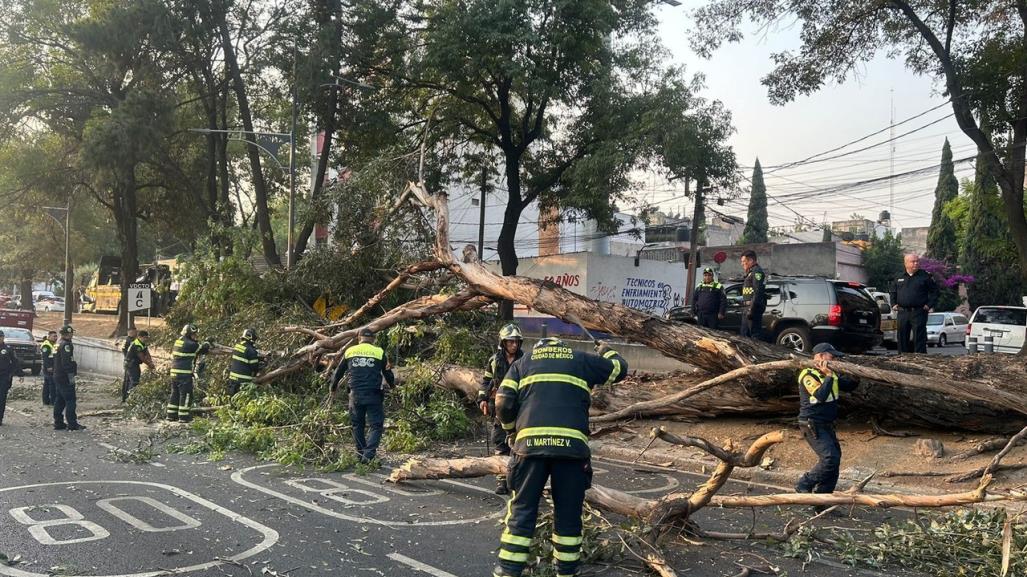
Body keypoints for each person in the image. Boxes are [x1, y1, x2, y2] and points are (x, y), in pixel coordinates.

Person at [492, 337, 628, 577]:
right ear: (563, 348)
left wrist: (511, 430)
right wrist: (606, 350)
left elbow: (502, 402)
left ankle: (508, 571)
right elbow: (619, 368)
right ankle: (565, 572)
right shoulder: (582, 360)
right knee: (568, 514)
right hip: (571, 451)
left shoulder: (523, 363)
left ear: (540, 349)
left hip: (529, 448)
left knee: (522, 510)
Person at [795, 343, 860, 500]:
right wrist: (829, 376)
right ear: (821, 356)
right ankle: (804, 483)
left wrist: (857, 372)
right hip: (811, 424)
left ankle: (823, 499)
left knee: (835, 460)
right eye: (832, 356)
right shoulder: (808, 375)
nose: (835, 359)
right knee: (829, 458)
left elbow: (850, 386)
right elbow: (820, 396)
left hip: (827, 424)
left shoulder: (831, 375)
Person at [331, 327, 395, 464]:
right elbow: (388, 372)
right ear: (373, 339)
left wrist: (333, 387)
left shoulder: (350, 351)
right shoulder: (379, 352)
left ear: (359, 339)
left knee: (357, 425)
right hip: (374, 394)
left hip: (355, 394)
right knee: (376, 426)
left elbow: (338, 372)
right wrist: (392, 385)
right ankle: (369, 454)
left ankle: (361, 455)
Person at [477, 323, 525, 495]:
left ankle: (516, 479)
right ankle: (501, 481)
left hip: (519, 407)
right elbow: (486, 381)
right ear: (503, 342)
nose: (514, 345)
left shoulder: (525, 360)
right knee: (500, 441)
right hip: (499, 407)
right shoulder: (494, 361)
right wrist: (482, 398)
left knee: (518, 443)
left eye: (516, 342)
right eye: (510, 341)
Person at [890, 253, 939, 354]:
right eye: (913, 261)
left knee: (919, 337)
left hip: (919, 311)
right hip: (902, 312)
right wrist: (893, 304)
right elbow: (893, 291)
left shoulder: (925, 276)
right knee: (902, 336)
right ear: (906, 263)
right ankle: (902, 359)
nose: (916, 263)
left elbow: (935, 292)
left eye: (917, 261)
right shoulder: (899, 276)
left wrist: (929, 305)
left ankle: (920, 359)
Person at [167, 324, 210, 422]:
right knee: (186, 394)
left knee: (175, 393)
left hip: (174, 372)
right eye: (194, 334)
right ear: (189, 334)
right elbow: (204, 348)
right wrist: (208, 342)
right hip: (184, 373)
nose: (196, 336)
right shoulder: (191, 344)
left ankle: (171, 415)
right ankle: (184, 416)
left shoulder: (178, 341)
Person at [53, 325, 84, 431]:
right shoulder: (66, 345)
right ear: (68, 333)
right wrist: (71, 374)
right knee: (70, 400)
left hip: (57, 374)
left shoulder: (58, 343)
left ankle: (58, 422)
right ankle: (72, 423)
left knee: (60, 400)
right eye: (71, 333)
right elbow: (66, 362)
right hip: (65, 376)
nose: (72, 335)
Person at [739, 250, 767, 340]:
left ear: (750, 260)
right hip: (747, 307)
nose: (742, 264)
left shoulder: (757, 272)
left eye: (744, 261)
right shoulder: (750, 272)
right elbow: (749, 291)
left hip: (753, 308)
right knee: (744, 335)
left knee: (754, 336)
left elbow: (757, 292)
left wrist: (751, 309)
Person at [122, 330, 156, 402]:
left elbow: (147, 353)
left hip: (133, 364)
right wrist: (150, 365)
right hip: (131, 364)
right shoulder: (136, 345)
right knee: (134, 381)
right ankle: (130, 399)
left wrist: (151, 361)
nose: (146, 339)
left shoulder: (142, 343)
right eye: (145, 338)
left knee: (130, 381)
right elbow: (142, 357)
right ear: (140, 337)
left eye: (147, 338)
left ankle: (127, 399)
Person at [228, 328, 261, 395]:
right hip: (243, 382)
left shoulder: (237, 346)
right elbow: (254, 367)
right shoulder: (251, 351)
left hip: (232, 379)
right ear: (251, 337)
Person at [0, 330, 23, 425]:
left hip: (4, 376)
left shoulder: (8, 349)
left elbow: (15, 362)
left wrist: (20, 374)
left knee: (1, 397)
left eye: (1, 337)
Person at [40, 330, 58, 406]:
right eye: (54, 336)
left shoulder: (53, 344)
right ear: (49, 337)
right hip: (48, 368)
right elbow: (45, 357)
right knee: (51, 385)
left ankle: (46, 401)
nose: (55, 338)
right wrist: (49, 367)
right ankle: (52, 401)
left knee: (47, 384)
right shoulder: (46, 345)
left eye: (56, 336)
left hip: (52, 367)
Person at [120, 327, 138, 400]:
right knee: (132, 380)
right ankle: (128, 397)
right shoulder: (130, 341)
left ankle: (124, 397)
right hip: (131, 363)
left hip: (127, 362)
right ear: (130, 332)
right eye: (135, 332)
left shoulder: (126, 340)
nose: (136, 334)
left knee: (127, 380)